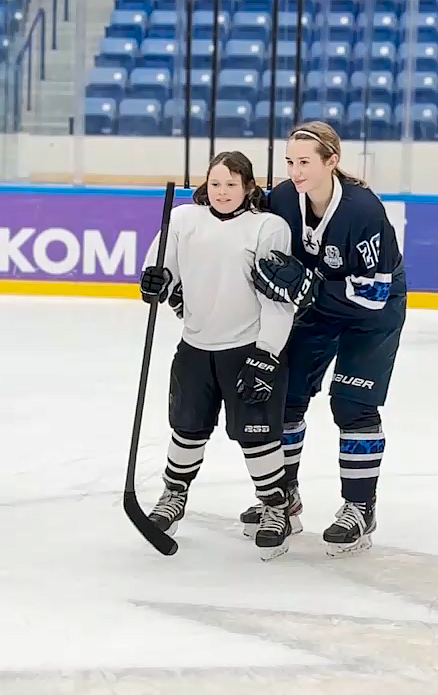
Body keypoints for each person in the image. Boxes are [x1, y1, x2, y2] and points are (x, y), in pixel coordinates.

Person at [241, 121, 407, 556]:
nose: (296, 171)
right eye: (290, 162)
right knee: (288, 395)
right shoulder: (281, 198)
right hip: (318, 307)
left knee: (352, 404)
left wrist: (310, 288)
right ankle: (284, 497)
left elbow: (372, 294)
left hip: (372, 312)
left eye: (305, 162)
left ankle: (359, 507)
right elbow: (239, 218)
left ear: (331, 161)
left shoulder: (362, 211)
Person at [137, 151, 297, 560]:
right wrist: (154, 282)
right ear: (204, 186)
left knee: (256, 436)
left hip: (247, 349)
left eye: (231, 184)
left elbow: (278, 298)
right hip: (195, 345)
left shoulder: (268, 227)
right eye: (215, 184)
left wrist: (268, 353)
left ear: (248, 187)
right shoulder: (185, 220)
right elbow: (160, 271)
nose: (222, 192)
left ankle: (275, 506)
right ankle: (174, 496)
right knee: (187, 428)